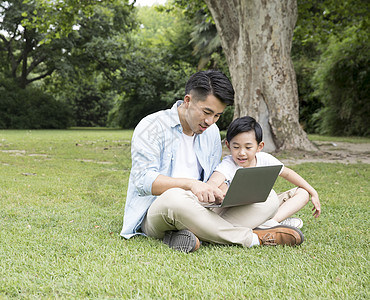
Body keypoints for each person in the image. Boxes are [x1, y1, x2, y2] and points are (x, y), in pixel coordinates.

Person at [120, 70, 304, 253]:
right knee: (175, 197)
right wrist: (191, 185)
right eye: (206, 112)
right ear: (188, 101)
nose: (210, 121)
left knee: (269, 198)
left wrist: (221, 190)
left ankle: (191, 234)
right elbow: (143, 181)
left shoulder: (212, 132)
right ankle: (254, 238)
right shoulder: (152, 126)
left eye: (217, 115)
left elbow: (214, 176)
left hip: (203, 208)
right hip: (160, 210)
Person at [207, 116, 321, 231]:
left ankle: (272, 222)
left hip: (264, 206)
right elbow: (214, 181)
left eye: (248, 147)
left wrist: (313, 192)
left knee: (303, 193)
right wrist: (215, 191)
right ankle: (269, 224)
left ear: (259, 147)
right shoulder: (229, 164)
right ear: (228, 145)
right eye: (236, 147)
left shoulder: (264, 159)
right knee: (267, 198)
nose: (241, 153)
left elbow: (287, 173)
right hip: (239, 212)